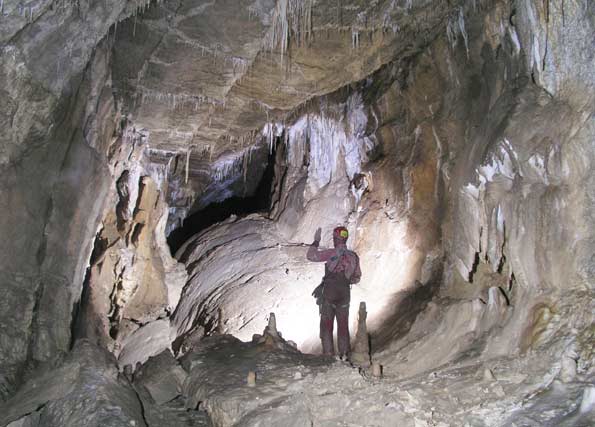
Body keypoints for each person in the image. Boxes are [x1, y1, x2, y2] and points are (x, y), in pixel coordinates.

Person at [307, 226, 361, 359]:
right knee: (343, 325)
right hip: (344, 294)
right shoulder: (353, 256)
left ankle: (328, 354)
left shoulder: (331, 253)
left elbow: (311, 256)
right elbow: (357, 277)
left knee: (327, 323)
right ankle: (344, 355)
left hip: (330, 293)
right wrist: (346, 279)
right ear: (345, 238)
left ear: (335, 239)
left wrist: (316, 242)